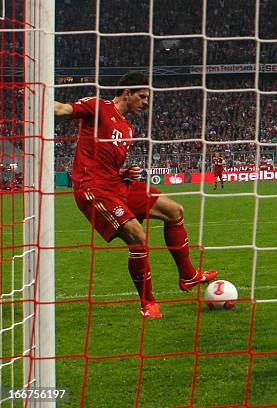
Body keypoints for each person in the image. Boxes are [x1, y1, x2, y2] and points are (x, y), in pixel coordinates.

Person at [54, 71, 218, 318]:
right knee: (138, 238)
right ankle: (148, 303)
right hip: (93, 189)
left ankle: (188, 275)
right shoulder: (97, 106)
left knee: (175, 211)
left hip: (117, 184)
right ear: (127, 93)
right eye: (142, 97)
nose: (145, 103)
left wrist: (123, 172)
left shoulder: (127, 128)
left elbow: (106, 164)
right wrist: (39, 97)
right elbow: (62, 110)